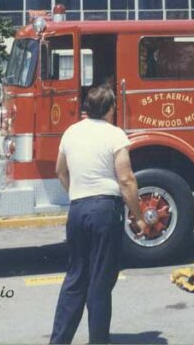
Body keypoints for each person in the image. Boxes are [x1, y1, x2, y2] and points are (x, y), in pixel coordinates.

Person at [50, 85, 146, 345]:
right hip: (105, 209)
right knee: (100, 282)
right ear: (110, 108)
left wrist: (77, 194)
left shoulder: (71, 132)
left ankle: (59, 340)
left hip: (78, 209)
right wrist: (137, 216)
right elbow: (126, 179)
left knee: (76, 277)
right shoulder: (115, 135)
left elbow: (60, 170)